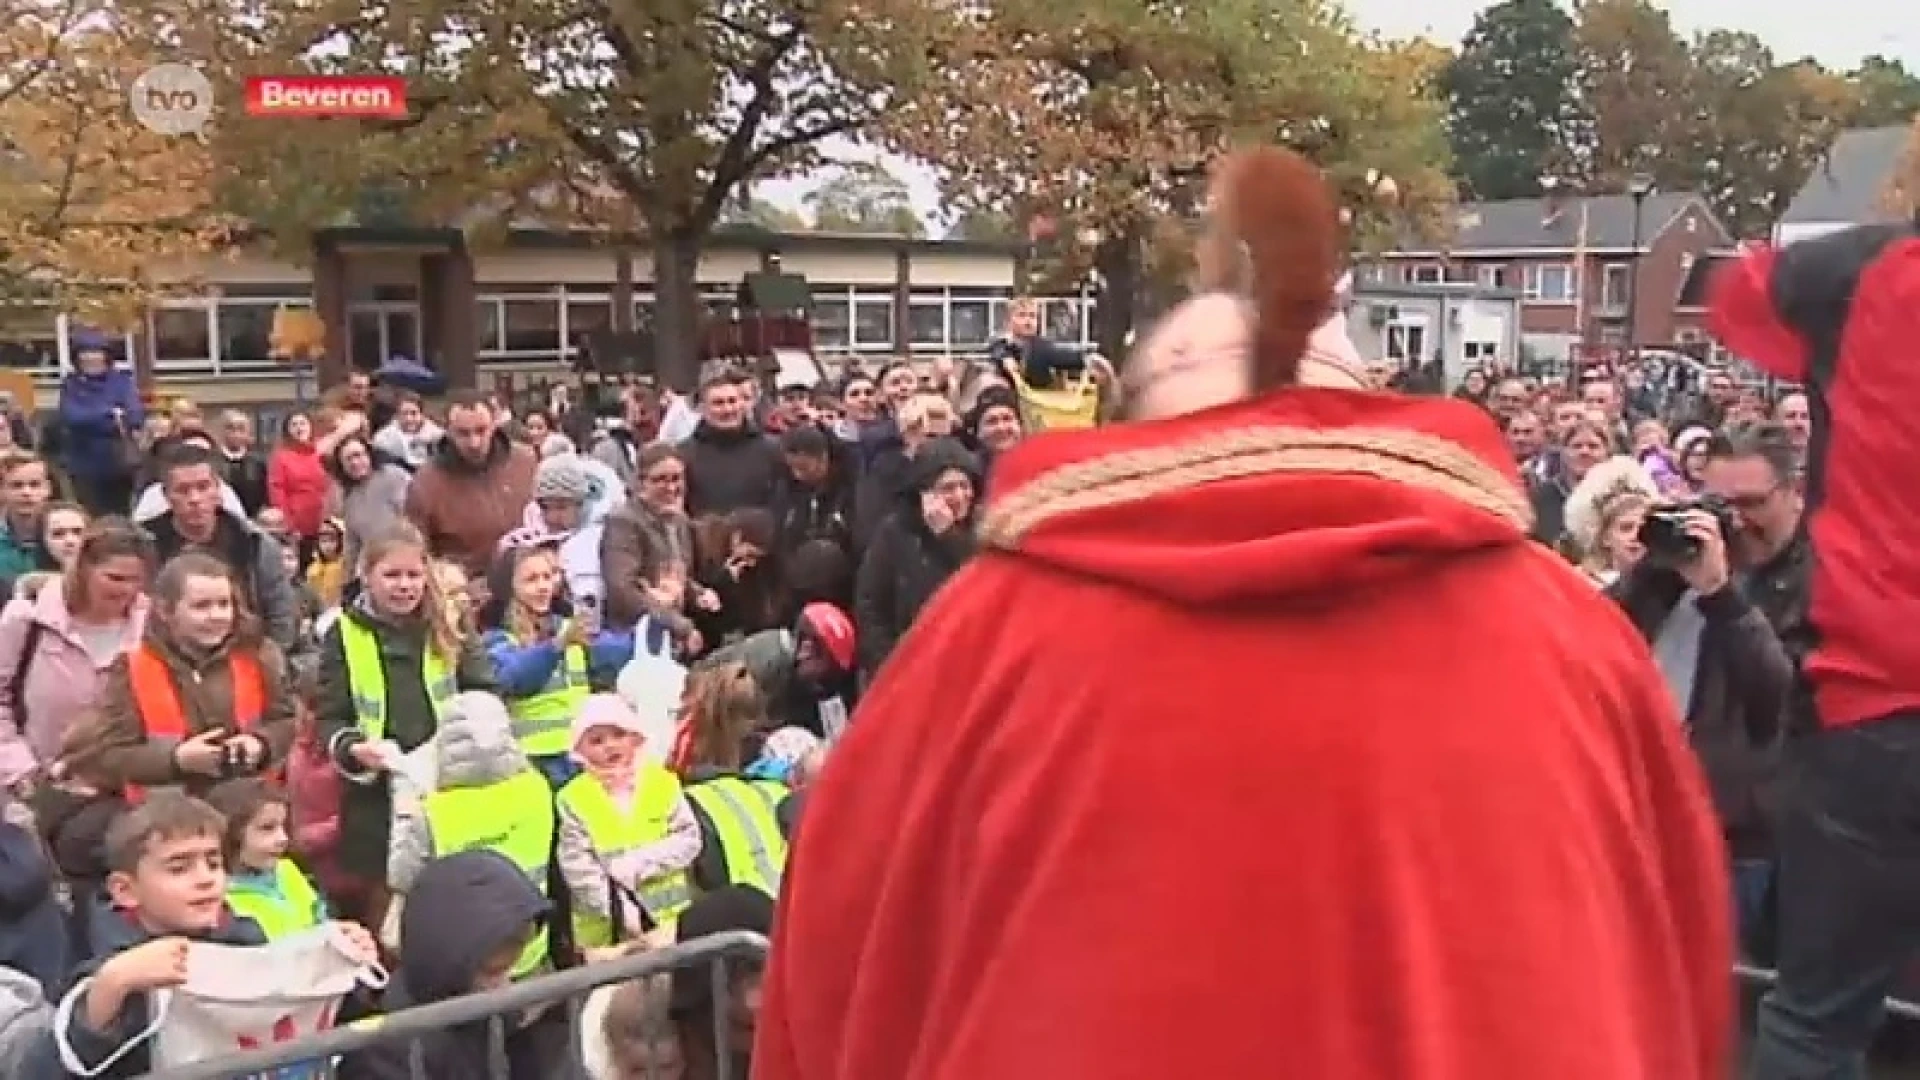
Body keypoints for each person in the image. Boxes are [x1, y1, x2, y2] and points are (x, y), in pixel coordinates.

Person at [756, 146, 1732, 1080]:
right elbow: (1680, 980)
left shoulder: (967, 651)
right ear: (1362, 404)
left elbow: (828, 987)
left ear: (1132, 432)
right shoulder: (1576, 641)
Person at [51, 793, 374, 1079]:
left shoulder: (247, 935)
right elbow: (78, 1060)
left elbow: (315, 1020)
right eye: (179, 868)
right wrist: (114, 983)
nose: (205, 879)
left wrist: (343, 962)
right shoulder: (115, 962)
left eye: (213, 863)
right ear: (126, 890)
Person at [316, 525, 496, 930]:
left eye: (413, 575)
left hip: (448, 785)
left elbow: (483, 691)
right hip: (377, 796)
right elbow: (330, 717)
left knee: (452, 899)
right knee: (387, 908)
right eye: (392, 576)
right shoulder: (343, 634)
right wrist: (353, 749)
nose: (404, 586)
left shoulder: (451, 625)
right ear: (367, 576)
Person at [68, 552, 295, 802]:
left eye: (224, 604)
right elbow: (108, 757)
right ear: (166, 611)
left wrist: (261, 744)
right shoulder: (132, 668)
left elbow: (287, 723)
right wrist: (176, 760)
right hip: (170, 820)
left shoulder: (258, 655)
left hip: (251, 810)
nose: (217, 615)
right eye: (201, 606)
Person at [338, 849, 569, 1080]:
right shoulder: (386, 1051)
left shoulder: (488, 1011)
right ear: (455, 954)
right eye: (495, 967)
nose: (505, 981)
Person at [387, 691, 554, 979]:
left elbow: (401, 876)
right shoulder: (537, 788)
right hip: (529, 949)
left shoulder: (431, 809)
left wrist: (404, 791)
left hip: (469, 964)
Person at [0, 520, 152, 794]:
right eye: (115, 578)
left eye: (136, 580)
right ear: (83, 569)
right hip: (30, 792)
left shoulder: (151, 625)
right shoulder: (27, 618)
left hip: (122, 791)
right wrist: (21, 771)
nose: (127, 590)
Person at [556, 693, 699, 952]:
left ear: (635, 737)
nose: (610, 746)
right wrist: (622, 911)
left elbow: (688, 839)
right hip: (607, 937)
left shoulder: (663, 782)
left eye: (618, 735)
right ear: (580, 750)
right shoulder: (572, 798)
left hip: (670, 926)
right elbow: (577, 868)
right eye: (596, 741)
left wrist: (639, 863)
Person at [481, 545, 635, 784]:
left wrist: (657, 617)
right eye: (531, 580)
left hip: (579, 754)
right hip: (533, 761)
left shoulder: (567, 627)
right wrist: (555, 647)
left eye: (548, 576)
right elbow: (512, 678)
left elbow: (617, 651)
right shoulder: (499, 638)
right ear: (509, 588)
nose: (544, 586)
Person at [139, 442, 301, 657]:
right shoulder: (144, 544)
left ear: (218, 490)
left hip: (244, 658)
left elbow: (280, 614)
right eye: (183, 490)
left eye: (203, 487)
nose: (194, 499)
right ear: (166, 495)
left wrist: (266, 664)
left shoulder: (255, 544)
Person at [853, 436, 980, 680]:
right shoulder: (895, 532)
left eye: (965, 486)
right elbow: (871, 604)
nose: (960, 496)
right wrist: (889, 666)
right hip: (908, 664)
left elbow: (982, 578)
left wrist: (949, 536)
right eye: (948, 488)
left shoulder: (981, 529)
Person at [405, 391, 538, 578]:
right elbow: (418, 552)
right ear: (448, 430)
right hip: (467, 591)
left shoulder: (525, 462)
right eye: (463, 433)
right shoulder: (426, 483)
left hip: (529, 580)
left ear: (495, 424)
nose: (474, 442)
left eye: (481, 430)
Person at [205, 779, 327, 941]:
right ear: (229, 833)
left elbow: (320, 918)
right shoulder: (218, 899)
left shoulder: (288, 869)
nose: (283, 838)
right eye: (267, 828)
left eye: (283, 827)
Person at [54, 331, 143, 517]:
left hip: (118, 464)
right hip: (83, 464)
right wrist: (109, 413)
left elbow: (134, 415)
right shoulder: (71, 384)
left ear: (106, 356)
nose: (90, 358)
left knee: (120, 515)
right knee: (89, 515)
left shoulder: (121, 381)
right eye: (84, 353)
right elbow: (71, 417)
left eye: (96, 352)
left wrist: (95, 416)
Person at [682, 374, 782, 516]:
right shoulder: (684, 454)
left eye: (732, 401)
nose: (728, 409)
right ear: (703, 408)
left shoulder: (772, 449)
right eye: (718, 403)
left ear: (742, 404)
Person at [268, 411, 331, 564]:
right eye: (294, 424)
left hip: (325, 520)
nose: (299, 428)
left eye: (303, 423)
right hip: (298, 524)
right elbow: (277, 491)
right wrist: (288, 525)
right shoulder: (281, 457)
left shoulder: (322, 452)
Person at [0, 452, 56, 599]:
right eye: (16, 486)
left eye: (35, 485)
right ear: (2, 490)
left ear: (48, 488)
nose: (27, 492)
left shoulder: (70, 532)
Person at [216, 410, 270, 517]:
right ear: (222, 431)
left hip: (254, 519)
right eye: (230, 428)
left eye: (241, 429)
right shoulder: (212, 462)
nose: (236, 434)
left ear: (248, 433)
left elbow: (266, 495)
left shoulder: (258, 462)